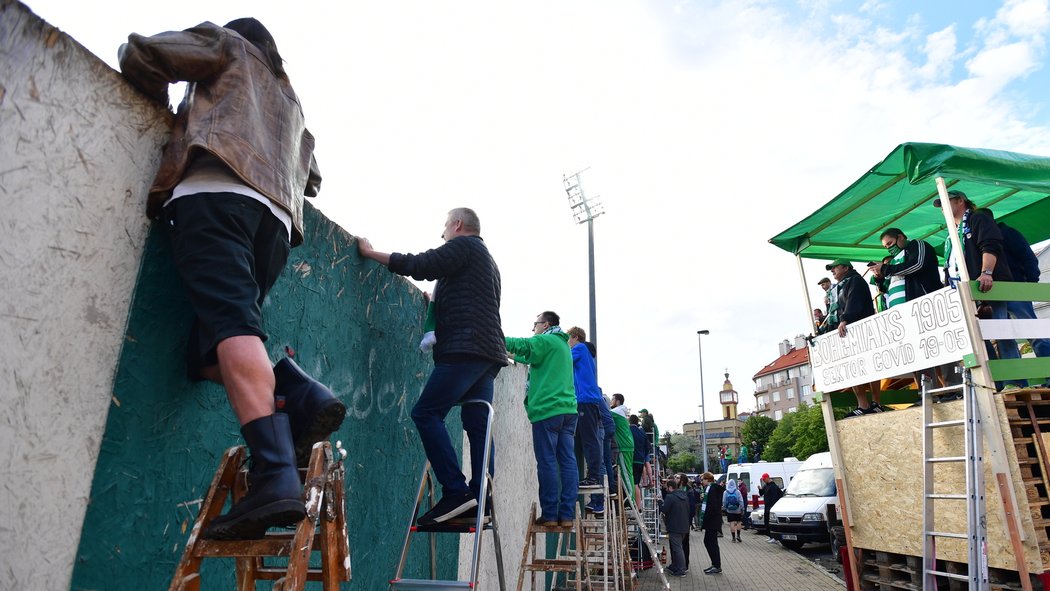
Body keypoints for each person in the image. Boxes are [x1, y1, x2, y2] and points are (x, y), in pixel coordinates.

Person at [118, 18, 343, 540]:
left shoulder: (227, 44)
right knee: (206, 355)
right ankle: (297, 391)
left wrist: (165, 113)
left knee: (232, 328)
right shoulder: (292, 103)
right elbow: (312, 179)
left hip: (216, 196)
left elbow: (144, 56)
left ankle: (275, 475)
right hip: (275, 225)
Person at [358, 208, 507, 525]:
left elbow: (421, 264)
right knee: (477, 425)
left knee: (426, 413)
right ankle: (482, 498)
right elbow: (466, 298)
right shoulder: (488, 262)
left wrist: (370, 253)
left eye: (445, 229)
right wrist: (436, 302)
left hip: (465, 349)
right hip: (487, 354)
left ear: (457, 225)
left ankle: (456, 494)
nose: (442, 235)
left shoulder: (465, 245)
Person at [936, 191, 1023, 387]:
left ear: (960, 201)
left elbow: (990, 246)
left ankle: (1013, 382)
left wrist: (986, 272)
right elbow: (950, 266)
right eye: (940, 205)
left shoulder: (978, 218)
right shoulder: (952, 233)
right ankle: (995, 383)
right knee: (978, 341)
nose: (942, 208)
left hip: (986, 287)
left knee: (1002, 334)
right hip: (966, 295)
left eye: (945, 202)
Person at [505, 311, 580, 526]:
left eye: (535, 325)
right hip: (568, 411)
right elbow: (533, 357)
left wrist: (493, 336)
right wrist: (514, 355)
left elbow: (526, 346)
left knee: (547, 462)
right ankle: (566, 515)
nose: (533, 330)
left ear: (545, 324)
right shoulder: (562, 345)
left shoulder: (546, 339)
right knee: (567, 462)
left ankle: (549, 514)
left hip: (548, 411)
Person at [979, 208, 1050, 385]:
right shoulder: (982, 240)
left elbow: (1028, 257)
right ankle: (1017, 382)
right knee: (1005, 336)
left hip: (1015, 289)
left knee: (1033, 332)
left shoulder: (1007, 233)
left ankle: (1044, 374)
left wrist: (1029, 285)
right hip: (995, 293)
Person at [826, 258, 884, 415]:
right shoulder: (838, 288)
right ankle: (863, 405)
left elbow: (854, 302)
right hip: (846, 332)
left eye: (834, 267)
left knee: (870, 365)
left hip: (861, 330)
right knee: (852, 367)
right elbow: (835, 311)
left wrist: (845, 319)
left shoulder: (856, 280)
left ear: (845, 267)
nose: (832, 270)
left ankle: (876, 403)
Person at [566, 326, 606, 513]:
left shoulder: (579, 348)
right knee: (588, 441)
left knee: (590, 442)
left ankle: (594, 478)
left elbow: (562, 360)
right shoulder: (585, 353)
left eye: (568, 339)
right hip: (586, 402)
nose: (567, 343)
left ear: (575, 337)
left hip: (585, 402)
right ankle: (594, 481)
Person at [660, 476, 690, 577]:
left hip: (674, 526)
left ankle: (681, 569)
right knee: (676, 548)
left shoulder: (670, 497)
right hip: (684, 526)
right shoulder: (684, 495)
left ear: (670, 487)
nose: (666, 489)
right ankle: (675, 566)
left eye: (666, 487)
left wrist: (659, 502)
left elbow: (664, 509)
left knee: (677, 549)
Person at [699, 472, 724, 574]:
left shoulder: (712, 489)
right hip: (712, 521)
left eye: (703, 479)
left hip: (712, 521)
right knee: (709, 542)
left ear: (708, 479)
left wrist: (707, 518)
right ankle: (715, 564)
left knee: (711, 542)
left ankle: (716, 565)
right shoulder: (709, 489)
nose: (701, 481)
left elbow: (713, 506)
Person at [758, 473, 784, 543]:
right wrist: (760, 489)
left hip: (771, 507)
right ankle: (770, 536)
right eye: (763, 480)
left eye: (764, 479)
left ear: (767, 478)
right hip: (767, 506)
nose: (763, 481)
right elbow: (761, 493)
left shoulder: (773, 486)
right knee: (766, 522)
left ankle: (774, 537)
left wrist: (772, 507)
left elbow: (774, 497)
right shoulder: (766, 485)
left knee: (771, 522)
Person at [723, 478, 745, 542]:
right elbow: (741, 500)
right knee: (738, 522)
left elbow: (724, 501)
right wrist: (742, 508)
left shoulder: (725, 492)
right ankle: (738, 535)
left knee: (732, 523)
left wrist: (725, 508)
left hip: (729, 510)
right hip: (737, 509)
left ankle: (733, 538)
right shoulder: (737, 491)